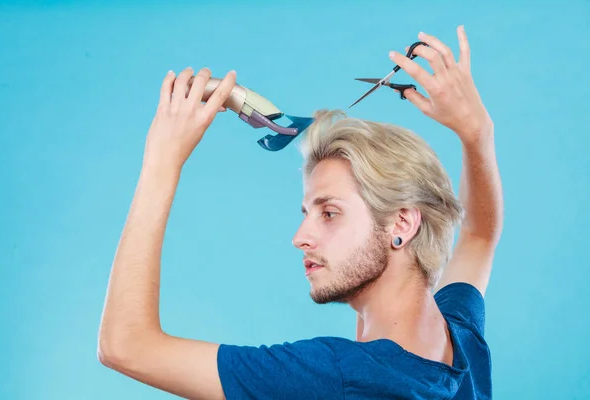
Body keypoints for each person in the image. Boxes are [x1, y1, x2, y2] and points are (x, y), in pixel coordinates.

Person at [98, 26, 503, 399]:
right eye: (307, 212)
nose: (299, 238)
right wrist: (476, 132)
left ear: (402, 222)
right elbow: (480, 235)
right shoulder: (460, 341)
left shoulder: (335, 375)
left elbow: (126, 346)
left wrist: (161, 161)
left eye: (329, 213)